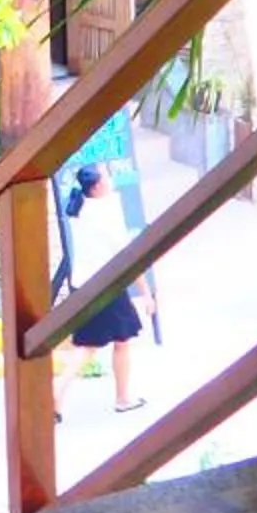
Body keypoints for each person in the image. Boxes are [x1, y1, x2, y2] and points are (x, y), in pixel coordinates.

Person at [55, 163, 151, 416]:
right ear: (97, 187)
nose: (111, 179)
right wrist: (145, 292)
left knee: (87, 346)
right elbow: (127, 255)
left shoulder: (81, 207)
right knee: (121, 340)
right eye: (107, 176)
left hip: (84, 284)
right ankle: (122, 398)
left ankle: (57, 392)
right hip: (106, 285)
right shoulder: (106, 213)